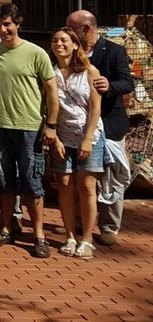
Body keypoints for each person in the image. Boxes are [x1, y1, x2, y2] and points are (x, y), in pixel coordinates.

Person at [0, 3, 60, 259]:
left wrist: (50, 124)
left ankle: (38, 234)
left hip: (29, 128)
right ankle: (6, 228)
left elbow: (51, 91)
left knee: (32, 182)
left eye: (7, 24)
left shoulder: (36, 53)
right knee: (4, 181)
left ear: (18, 24)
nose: (3, 29)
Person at [64, 9, 133, 246]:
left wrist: (110, 85)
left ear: (86, 29)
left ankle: (108, 226)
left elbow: (127, 82)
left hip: (110, 125)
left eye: (71, 28)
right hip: (76, 129)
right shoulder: (69, 53)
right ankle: (82, 222)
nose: (67, 33)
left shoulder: (114, 51)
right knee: (83, 179)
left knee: (111, 178)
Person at [49, 27, 104, 258]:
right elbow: (48, 109)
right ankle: (70, 235)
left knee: (87, 186)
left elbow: (95, 108)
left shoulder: (89, 72)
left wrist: (88, 139)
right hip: (62, 135)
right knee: (64, 185)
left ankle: (87, 237)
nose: (59, 44)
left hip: (88, 135)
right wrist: (56, 139)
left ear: (74, 44)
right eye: (55, 40)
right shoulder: (50, 72)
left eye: (64, 40)